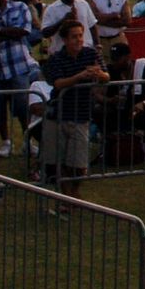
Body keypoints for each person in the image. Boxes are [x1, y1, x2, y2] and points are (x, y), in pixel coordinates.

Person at [41, 18, 106, 198]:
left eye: (80, 36)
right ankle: (67, 197)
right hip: (59, 113)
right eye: (74, 37)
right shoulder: (56, 59)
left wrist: (99, 74)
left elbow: (107, 76)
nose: (78, 40)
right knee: (58, 161)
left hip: (82, 113)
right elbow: (58, 83)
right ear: (65, 40)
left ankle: (74, 193)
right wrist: (80, 76)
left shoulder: (90, 54)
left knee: (79, 163)